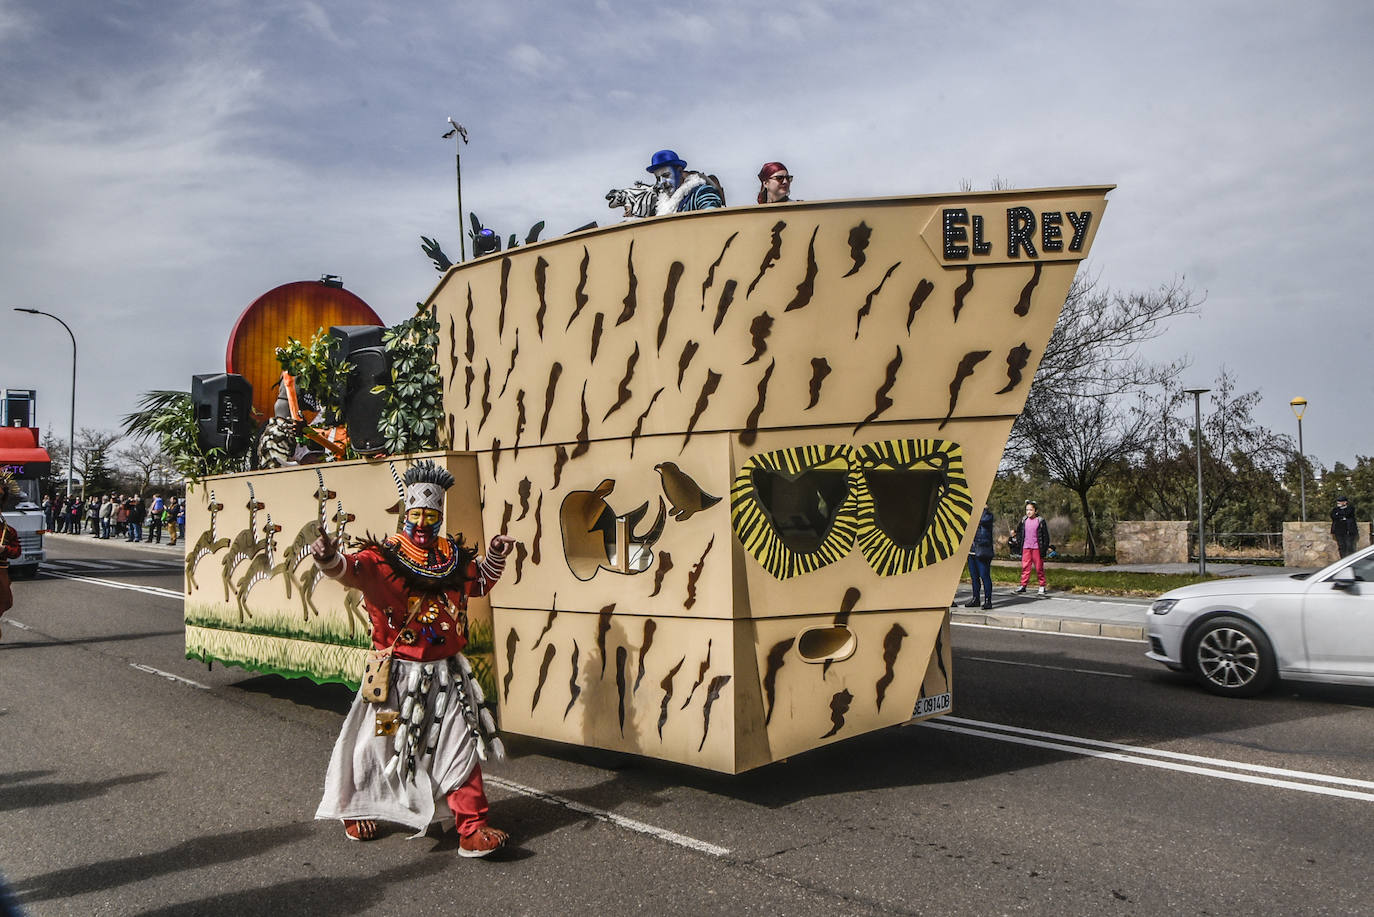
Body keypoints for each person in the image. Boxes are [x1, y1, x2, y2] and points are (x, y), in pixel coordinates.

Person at [309, 460, 514, 856]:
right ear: (406, 513)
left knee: (461, 746)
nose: (422, 523)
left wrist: (495, 554)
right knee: (378, 745)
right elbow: (347, 570)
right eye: (416, 514)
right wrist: (326, 558)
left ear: (439, 517)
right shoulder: (381, 558)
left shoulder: (451, 557)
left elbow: (480, 582)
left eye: (431, 515)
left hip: (448, 677)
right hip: (395, 681)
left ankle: (472, 828)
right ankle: (356, 807)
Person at [644, 149, 724, 214]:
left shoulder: (700, 192)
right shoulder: (659, 206)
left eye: (666, 175)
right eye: (658, 178)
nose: (662, 182)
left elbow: (711, 216)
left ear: (679, 171)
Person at [1013, 501, 1050, 595]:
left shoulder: (1040, 521)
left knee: (1039, 568)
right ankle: (1023, 585)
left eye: (1031, 510)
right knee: (1025, 567)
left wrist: (1044, 549)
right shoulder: (1024, 520)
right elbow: (1019, 532)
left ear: (1036, 511)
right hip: (1026, 547)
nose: (1028, 512)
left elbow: (1045, 537)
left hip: (1037, 548)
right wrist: (1018, 542)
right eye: (1027, 510)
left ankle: (1042, 586)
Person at [964, 506, 995, 610]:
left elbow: (981, 521)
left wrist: (983, 508)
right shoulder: (970, 513)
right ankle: (975, 598)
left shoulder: (987, 515)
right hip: (971, 550)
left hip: (982, 550)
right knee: (974, 577)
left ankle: (988, 600)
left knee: (984, 576)